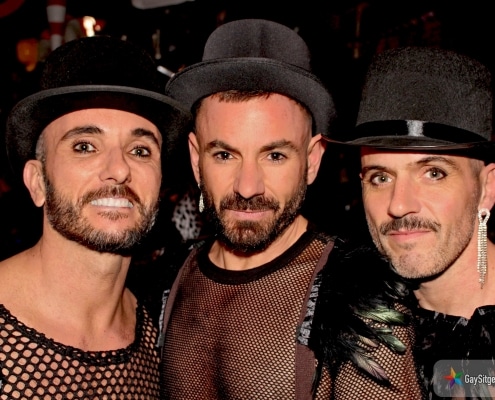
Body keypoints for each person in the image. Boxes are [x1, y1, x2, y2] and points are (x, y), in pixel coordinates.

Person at [158, 19, 423, 399]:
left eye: (275, 155)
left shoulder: (359, 305)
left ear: (312, 161)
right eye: (224, 155)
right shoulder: (163, 285)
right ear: (196, 159)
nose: (248, 187)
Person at [1, 35, 190, 398]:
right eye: (84, 146)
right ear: (37, 182)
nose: (119, 170)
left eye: (140, 150)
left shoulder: (163, 339)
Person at [326, 46, 495, 399]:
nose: (399, 205)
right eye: (380, 177)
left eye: (433, 173)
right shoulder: (344, 317)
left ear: (486, 189)